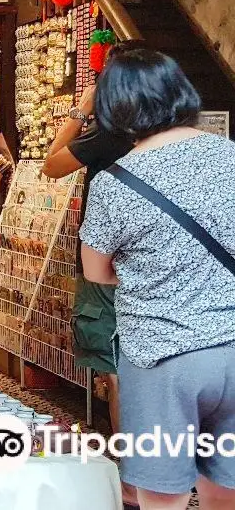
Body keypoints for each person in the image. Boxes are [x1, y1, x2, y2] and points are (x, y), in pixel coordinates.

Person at [80, 48, 235, 510]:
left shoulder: (116, 181)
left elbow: (96, 271)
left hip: (162, 356)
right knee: (225, 489)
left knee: (160, 495)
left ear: (115, 108)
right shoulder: (232, 156)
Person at [43, 83, 134, 503]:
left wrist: (81, 109)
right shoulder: (174, 136)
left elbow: (51, 164)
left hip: (107, 261)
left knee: (117, 369)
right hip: (160, 265)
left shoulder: (108, 133)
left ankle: (133, 476)